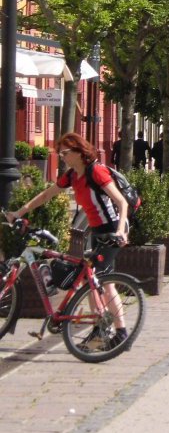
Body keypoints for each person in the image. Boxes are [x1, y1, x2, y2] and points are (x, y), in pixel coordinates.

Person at [5, 132, 131, 347]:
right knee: (92, 280)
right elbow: (47, 195)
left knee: (99, 282)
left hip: (111, 230)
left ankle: (115, 332)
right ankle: (108, 331)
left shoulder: (96, 171)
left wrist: (120, 231)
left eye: (64, 152)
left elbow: (121, 202)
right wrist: (20, 212)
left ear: (78, 152)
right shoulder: (73, 175)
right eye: (59, 153)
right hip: (97, 231)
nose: (61, 156)